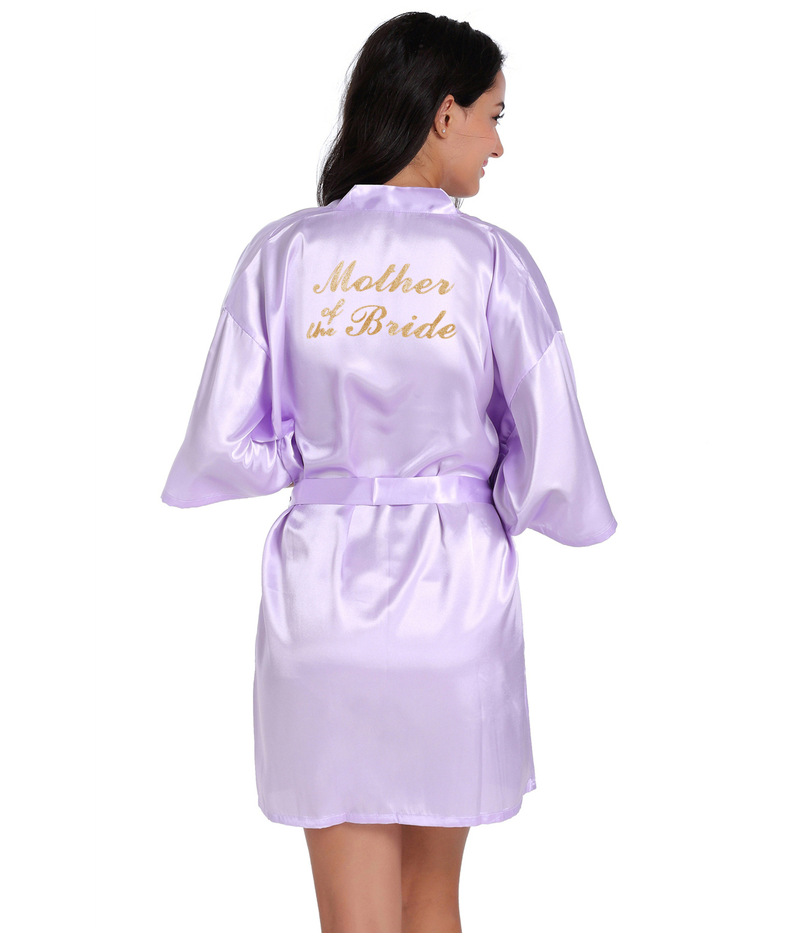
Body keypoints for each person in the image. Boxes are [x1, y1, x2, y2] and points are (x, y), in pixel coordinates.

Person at [160, 11, 617, 934]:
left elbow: (220, 446)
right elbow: (553, 460)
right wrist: (479, 495)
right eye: (493, 115)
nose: (498, 144)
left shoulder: (285, 254)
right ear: (445, 114)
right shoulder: (492, 262)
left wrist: (318, 462)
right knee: (432, 903)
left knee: (353, 917)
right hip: (455, 602)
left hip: (323, 602)